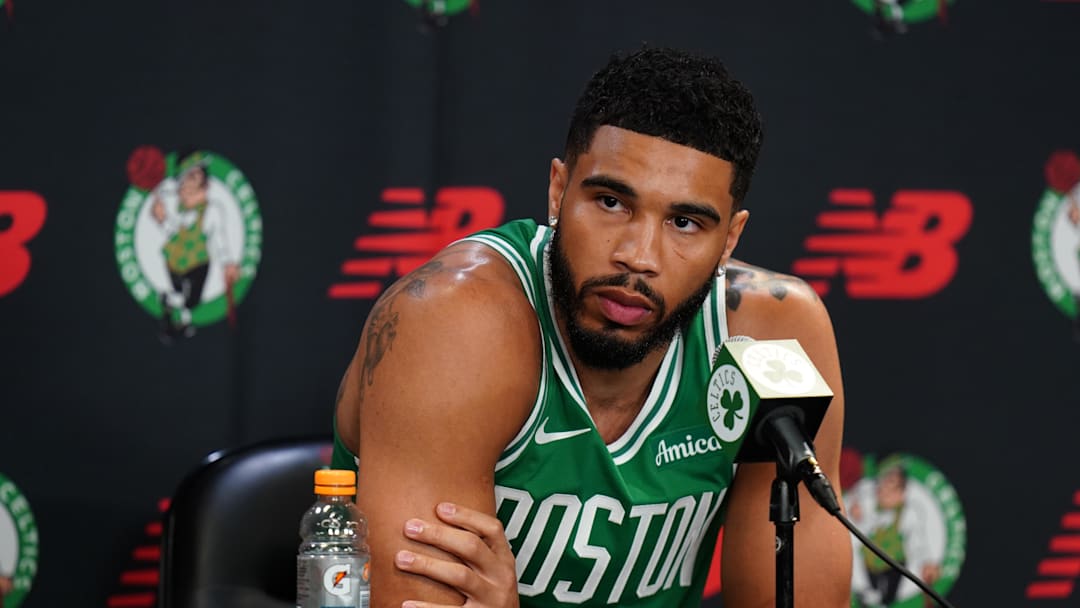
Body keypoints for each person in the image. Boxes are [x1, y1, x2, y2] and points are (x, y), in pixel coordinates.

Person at [333, 46, 852, 607]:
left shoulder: (769, 338)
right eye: (610, 202)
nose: (638, 255)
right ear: (559, 191)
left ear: (729, 239)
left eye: (684, 222)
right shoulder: (451, 321)